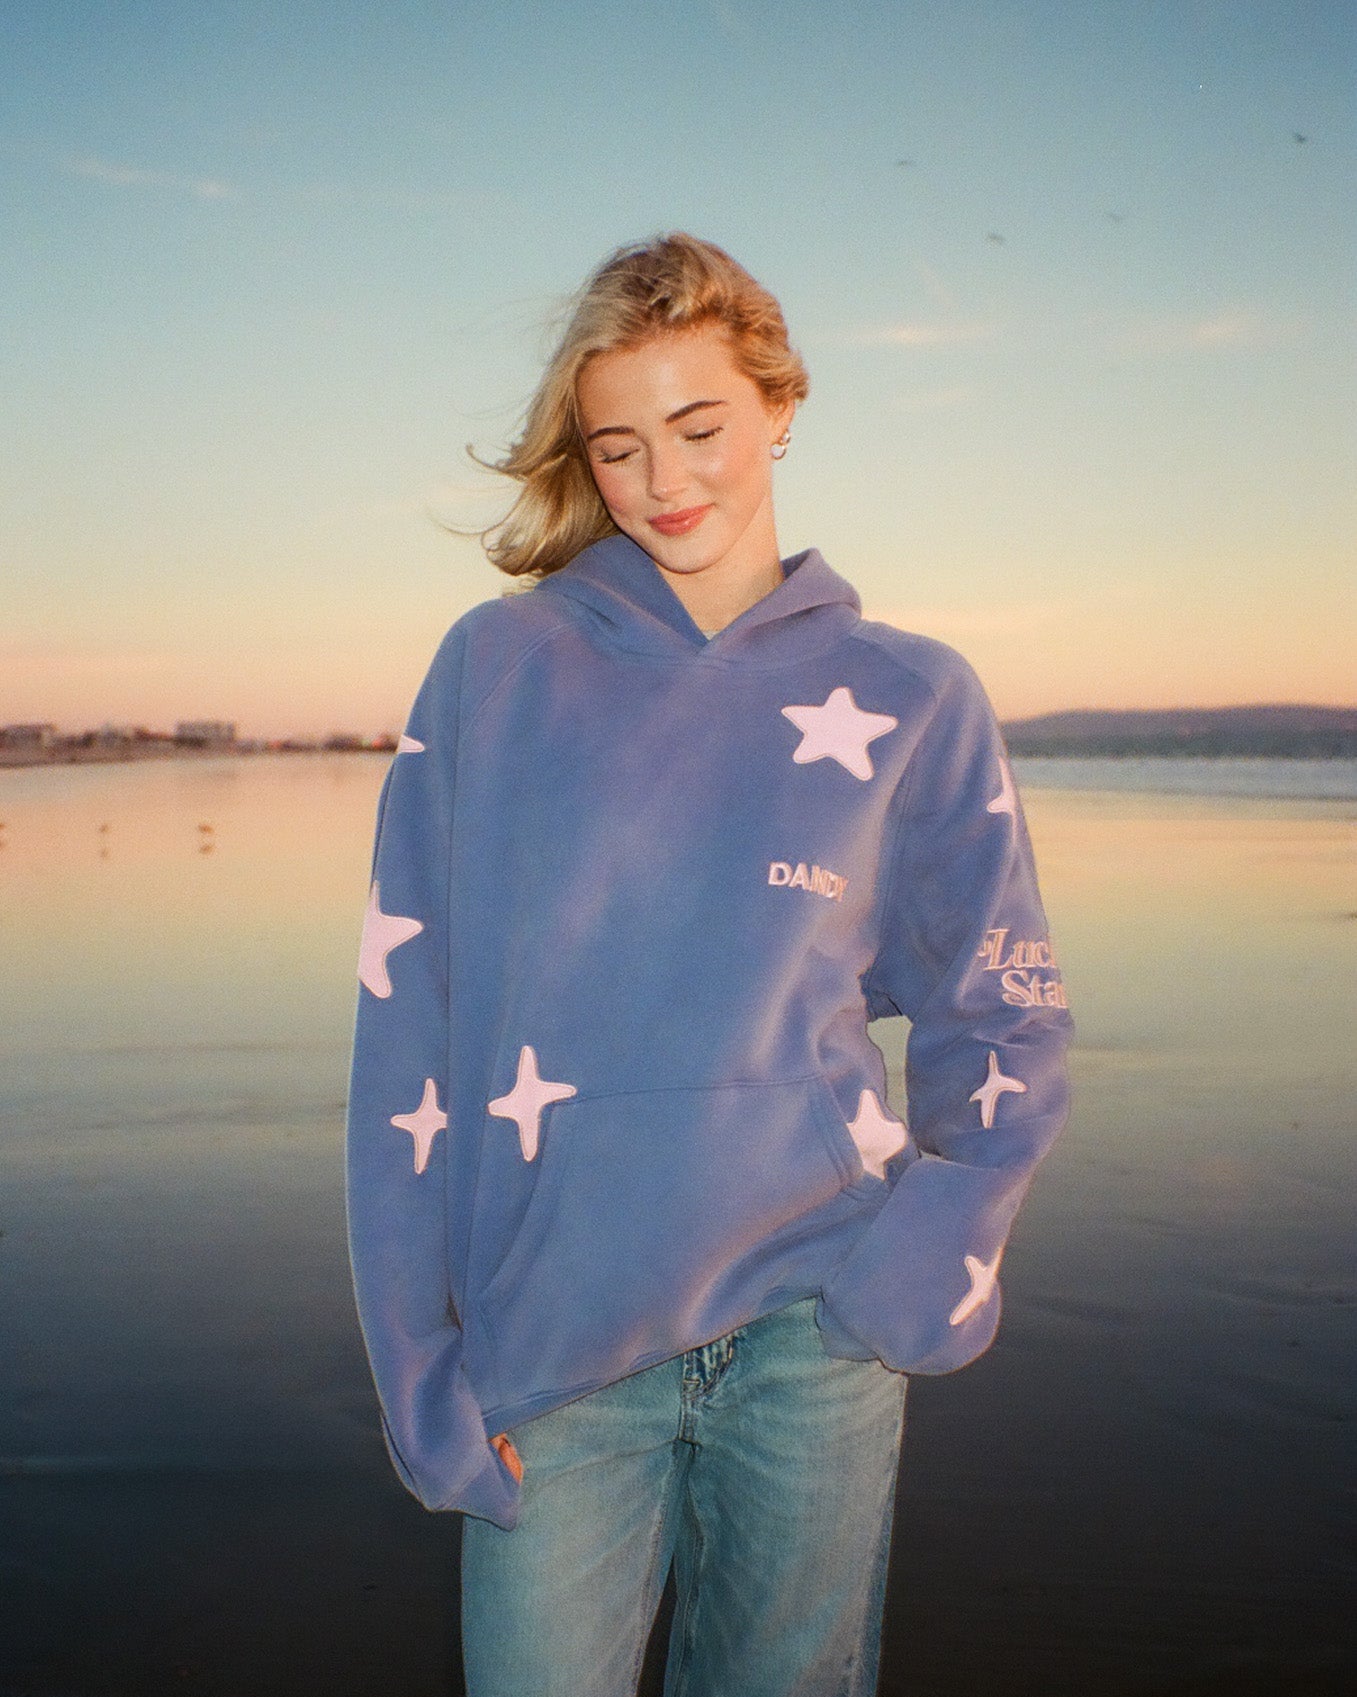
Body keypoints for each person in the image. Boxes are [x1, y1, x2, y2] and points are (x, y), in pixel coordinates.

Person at [345, 233, 1072, 1697]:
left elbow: (999, 1004)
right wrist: (417, 1362)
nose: (665, 482)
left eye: (700, 427)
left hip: (814, 1333)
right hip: (555, 1353)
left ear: (780, 407)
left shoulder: (909, 695)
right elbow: (406, 1035)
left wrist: (923, 1255)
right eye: (619, 448)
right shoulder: (496, 673)